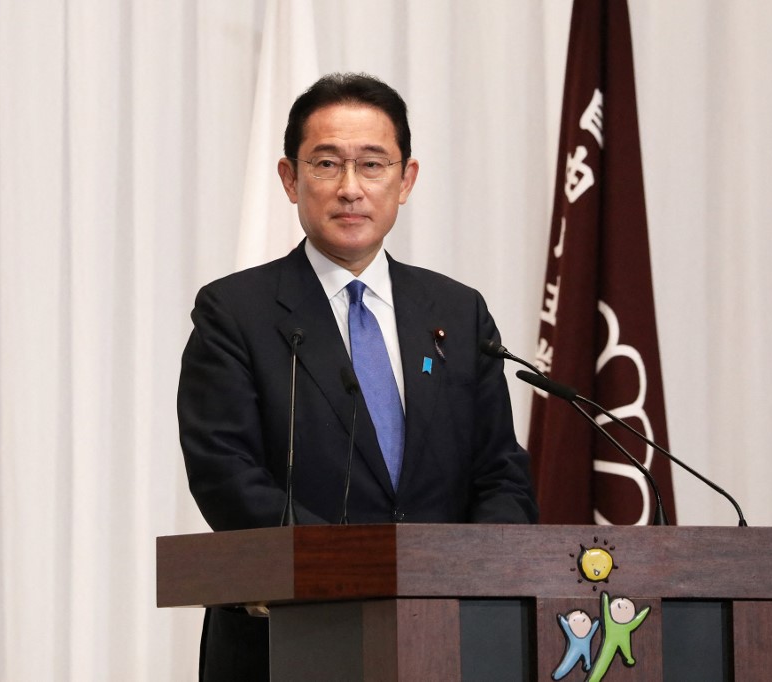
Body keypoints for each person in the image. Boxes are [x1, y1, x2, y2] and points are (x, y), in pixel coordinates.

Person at [177, 72, 537, 681]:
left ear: (407, 179)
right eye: (325, 164)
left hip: (447, 640)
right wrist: (356, 573)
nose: (350, 189)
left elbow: (499, 470)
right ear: (290, 179)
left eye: (373, 165)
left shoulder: (456, 312)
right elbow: (226, 475)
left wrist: (471, 578)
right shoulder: (236, 312)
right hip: (287, 637)